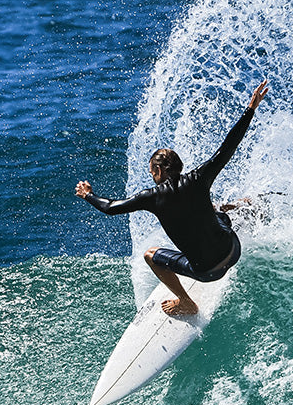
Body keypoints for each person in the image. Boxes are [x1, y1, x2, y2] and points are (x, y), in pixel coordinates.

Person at [76, 79, 269, 316]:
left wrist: (88, 194)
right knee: (215, 209)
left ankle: (185, 302)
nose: (152, 177)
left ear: (158, 172)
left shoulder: (152, 197)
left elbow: (110, 207)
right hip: (233, 250)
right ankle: (249, 209)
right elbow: (228, 146)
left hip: (208, 272)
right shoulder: (199, 178)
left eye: (151, 173)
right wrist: (250, 110)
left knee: (150, 255)